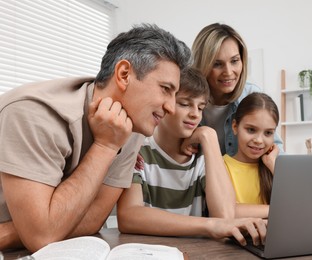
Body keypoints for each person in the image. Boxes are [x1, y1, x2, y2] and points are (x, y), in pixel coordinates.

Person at [0, 23, 191, 252]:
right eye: (165, 89)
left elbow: (92, 220)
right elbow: (42, 237)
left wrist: (17, 232)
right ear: (123, 75)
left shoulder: (131, 125)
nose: (171, 107)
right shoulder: (32, 113)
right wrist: (106, 145)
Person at [117, 68, 266, 247]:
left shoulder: (203, 157)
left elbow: (225, 215)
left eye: (201, 107)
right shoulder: (139, 150)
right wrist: (209, 225)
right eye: (185, 104)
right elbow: (129, 217)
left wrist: (208, 136)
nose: (195, 114)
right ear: (165, 104)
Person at [191, 23, 284, 156]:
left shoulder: (251, 95)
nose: (228, 72)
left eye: (234, 61)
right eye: (217, 64)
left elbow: (275, 149)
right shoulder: (186, 99)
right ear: (202, 64)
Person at [223, 92, 280, 219]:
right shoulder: (221, 166)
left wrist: (272, 165)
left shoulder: (274, 167)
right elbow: (227, 211)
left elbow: (298, 206)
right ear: (235, 127)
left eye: (268, 133)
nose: (259, 140)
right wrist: (278, 209)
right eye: (251, 130)